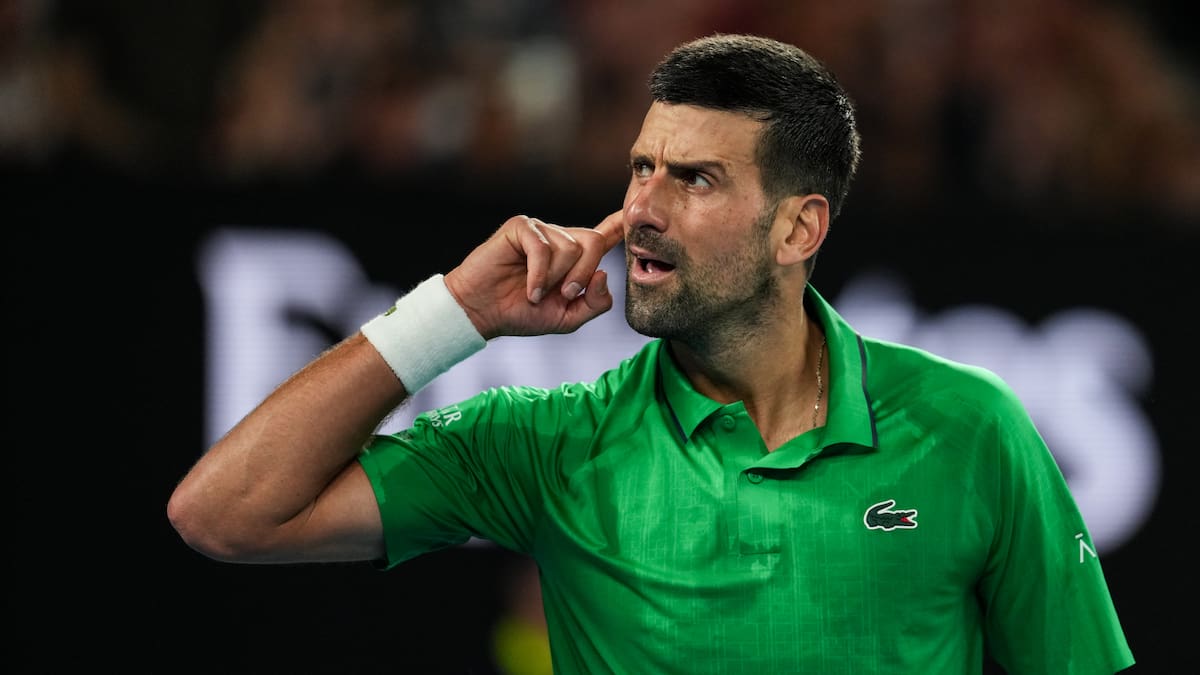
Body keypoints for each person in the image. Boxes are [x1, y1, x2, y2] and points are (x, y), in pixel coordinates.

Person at [168, 33, 1135, 674]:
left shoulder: (972, 426)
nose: (641, 209)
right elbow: (224, 513)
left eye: (695, 178)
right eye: (642, 167)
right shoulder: (549, 443)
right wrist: (453, 311)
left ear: (798, 229)